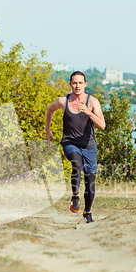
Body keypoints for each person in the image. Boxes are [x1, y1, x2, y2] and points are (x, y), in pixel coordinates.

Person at [45, 71, 105, 223]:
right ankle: (75, 196)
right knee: (76, 164)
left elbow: (102, 125)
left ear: (85, 84)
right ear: (70, 84)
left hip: (89, 146)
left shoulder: (92, 102)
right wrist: (47, 130)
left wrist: (88, 113)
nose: (77, 85)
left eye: (80, 83)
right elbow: (50, 110)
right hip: (70, 142)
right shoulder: (63, 101)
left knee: (90, 184)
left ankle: (88, 212)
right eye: (74, 83)